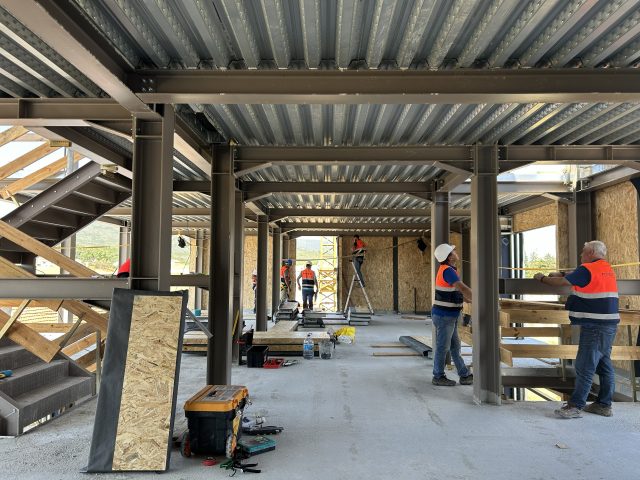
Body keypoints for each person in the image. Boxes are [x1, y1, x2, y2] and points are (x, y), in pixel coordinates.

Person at [534, 240, 619, 419]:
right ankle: (604, 405)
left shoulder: (587, 269)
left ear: (591, 252)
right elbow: (577, 276)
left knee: (584, 365)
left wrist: (541, 278)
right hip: (608, 324)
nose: (581, 254)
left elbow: (560, 282)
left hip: (594, 325)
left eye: (583, 251)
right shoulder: (605, 268)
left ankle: (575, 406)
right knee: (603, 364)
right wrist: (562, 273)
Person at [431, 243, 473, 386]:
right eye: (453, 251)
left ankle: (464, 374)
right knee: (443, 347)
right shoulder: (448, 271)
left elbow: (457, 292)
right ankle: (438, 376)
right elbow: (462, 288)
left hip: (449, 316)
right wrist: (478, 298)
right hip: (444, 317)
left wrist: (469, 299)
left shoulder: (449, 270)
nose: (456, 252)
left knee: (455, 347)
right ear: (449, 257)